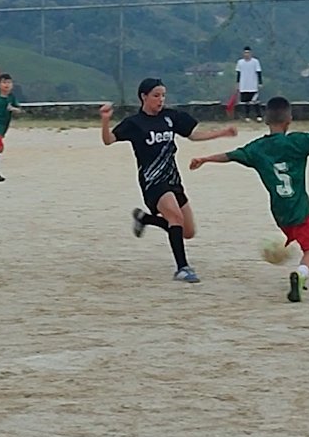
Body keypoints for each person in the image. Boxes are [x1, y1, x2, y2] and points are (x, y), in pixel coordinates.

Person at [189, 96, 309, 303]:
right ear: (289, 119)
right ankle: (300, 276)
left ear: (266, 120)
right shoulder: (297, 142)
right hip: (300, 208)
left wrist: (204, 159)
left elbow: (230, 155)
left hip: (279, 213)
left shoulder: (257, 148)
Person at [100, 78, 237, 283]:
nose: (160, 99)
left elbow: (193, 135)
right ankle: (182, 268)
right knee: (175, 218)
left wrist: (222, 133)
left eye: (163, 95)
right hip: (152, 181)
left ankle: (146, 219)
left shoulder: (171, 117)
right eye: (156, 95)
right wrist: (105, 120)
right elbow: (108, 140)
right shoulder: (134, 123)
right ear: (143, 97)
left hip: (173, 179)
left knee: (188, 232)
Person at [235, 46, 264, 122]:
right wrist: (238, 83)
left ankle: (259, 115)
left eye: (248, 53)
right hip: (244, 85)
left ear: (251, 53)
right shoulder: (240, 62)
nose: (246, 54)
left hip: (253, 85)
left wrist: (260, 83)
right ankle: (247, 116)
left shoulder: (255, 62)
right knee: (245, 102)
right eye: (245, 53)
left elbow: (259, 72)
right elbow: (238, 73)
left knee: (255, 102)